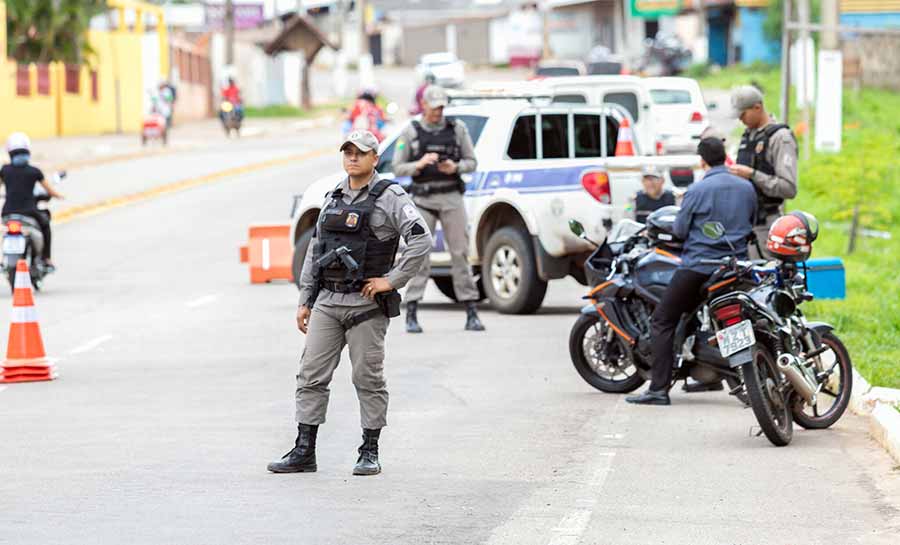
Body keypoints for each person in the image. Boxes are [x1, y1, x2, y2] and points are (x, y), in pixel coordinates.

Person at [267, 130, 432, 476]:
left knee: (367, 378)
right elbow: (316, 251)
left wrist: (392, 280)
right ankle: (304, 450)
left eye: (361, 153)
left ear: (375, 158)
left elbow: (421, 240)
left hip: (365, 307)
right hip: (328, 301)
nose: (353, 158)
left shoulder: (390, 197)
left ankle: (369, 449)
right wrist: (305, 300)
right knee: (310, 375)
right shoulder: (333, 196)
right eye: (348, 152)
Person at [626, 137, 757, 406]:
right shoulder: (747, 188)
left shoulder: (696, 191)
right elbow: (750, 223)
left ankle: (658, 390)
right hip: (736, 268)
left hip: (700, 267)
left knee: (662, 320)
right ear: (725, 157)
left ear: (703, 161)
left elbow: (681, 230)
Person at [392, 85, 485, 333]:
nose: (438, 112)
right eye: (434, 108)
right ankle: (411, 310)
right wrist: (419, 164)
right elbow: (397, 167)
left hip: (451, 196)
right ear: (424, 106)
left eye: (441, 107)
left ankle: (471, 311)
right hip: (423, 199)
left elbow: (472, 162)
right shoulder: (411, 132)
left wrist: (454, 167)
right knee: (420, 254)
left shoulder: (457, 129)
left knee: (460, 253)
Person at [729, 86, 798, 258]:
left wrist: (752, 174)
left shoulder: (780, 138)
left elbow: (788, 188)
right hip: (745, 225)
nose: (741, 120)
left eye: (743, 115)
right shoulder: (748, 136)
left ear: (757, 107)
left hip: (767, 224)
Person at [0, 133, 64, 271]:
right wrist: (59, 196)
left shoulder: (4, 170)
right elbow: (49, 190)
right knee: (46, 226)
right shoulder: (34, 171)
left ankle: (1, 260)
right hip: (29, 211)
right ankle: (46, 258)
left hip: (8, 212)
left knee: (4, 232)